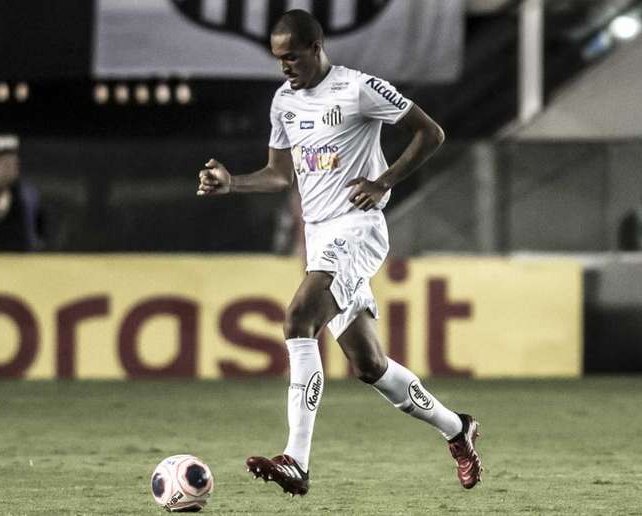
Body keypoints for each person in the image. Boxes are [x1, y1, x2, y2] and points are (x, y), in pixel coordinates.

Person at [197, 9, 482, 496]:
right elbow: (281, 175)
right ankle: (458, 429)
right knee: (370, 366)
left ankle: (297, 460)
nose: (284, 66)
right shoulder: (283, 102)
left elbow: (430, 132)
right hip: (320, 237)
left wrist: (383, 181)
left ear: (316, 46)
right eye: (278, 58)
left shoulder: (358, 89)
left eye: (291, 56)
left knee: (298, 319)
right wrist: (233, 184)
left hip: (358, 228)